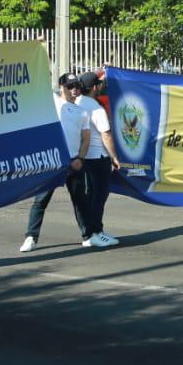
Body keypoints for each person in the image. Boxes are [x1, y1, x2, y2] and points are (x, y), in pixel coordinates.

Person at [21, 73, 95, 251]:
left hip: (73, 161)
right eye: (70, 86)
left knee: (80, 201)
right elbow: (38, 82)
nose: (74, 89)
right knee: (41, 201)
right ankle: (31, 237)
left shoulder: (82, 111)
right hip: (54, 161)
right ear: (62, 87)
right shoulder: (54, 102)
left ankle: (87, 236)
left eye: (76, 85)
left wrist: (80, 158)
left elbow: (86, 139)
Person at [76, 70, 121, 247]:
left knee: (89, 195)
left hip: (82, 156)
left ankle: (89, 233)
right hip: (98, 156)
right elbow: (106, 135)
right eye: (99, 83)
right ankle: (96, 231)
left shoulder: (77, 102)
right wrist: (114, 157)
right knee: (99, 196)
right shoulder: (95, 107)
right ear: (94, 87)